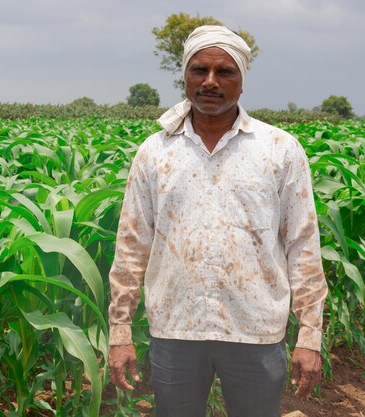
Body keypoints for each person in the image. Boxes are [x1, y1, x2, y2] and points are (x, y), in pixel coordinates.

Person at [107, 25, 328, 417]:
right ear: (185, 77)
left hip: (256, 329)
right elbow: (131, 245)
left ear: (242, 82)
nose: (210, 82)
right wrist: (120, 331)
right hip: (176, 330)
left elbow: (303, 245)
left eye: (224, 72)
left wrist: (310, 336)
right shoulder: (155, 153)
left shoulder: (279, 150)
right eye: (199, 70)